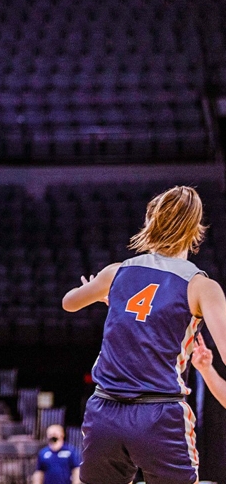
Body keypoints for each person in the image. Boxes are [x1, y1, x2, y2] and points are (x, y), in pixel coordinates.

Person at [62, 185, 226, 484]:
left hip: (104, 411)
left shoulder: (117, 272)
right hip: (159, 413)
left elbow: (69, 303)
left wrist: (97, 291)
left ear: (150, 221)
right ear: (195, 229)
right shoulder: (201, 286)